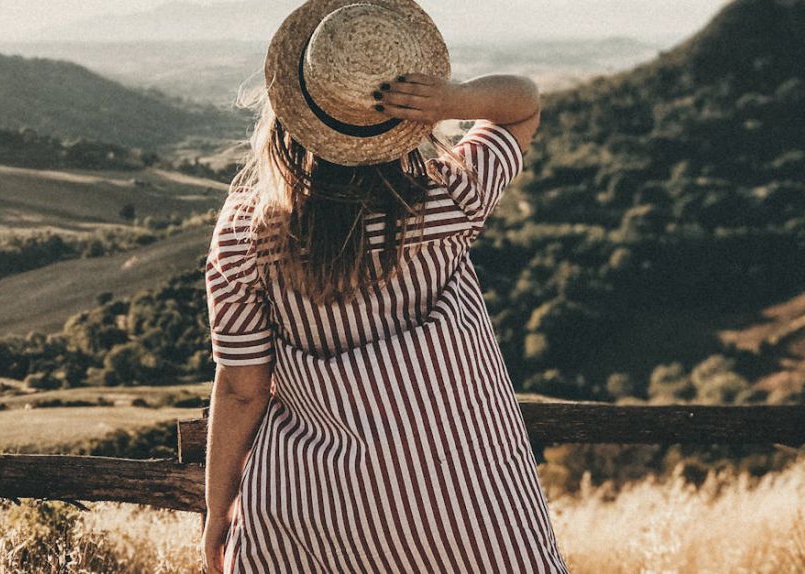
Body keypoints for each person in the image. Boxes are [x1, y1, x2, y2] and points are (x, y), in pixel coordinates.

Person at [201, 1, 570, 572]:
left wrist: (217, 513)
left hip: (314, 515)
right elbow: (522, 106)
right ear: (407, 119)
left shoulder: (248, 234)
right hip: (471, 513)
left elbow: (242, 390)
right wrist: (453, 100)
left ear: (290, 110)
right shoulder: (452, 198)